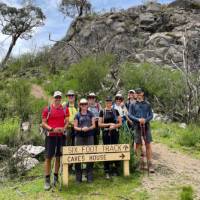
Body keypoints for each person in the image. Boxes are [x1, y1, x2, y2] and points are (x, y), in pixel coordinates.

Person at [42, 91, 69, 190]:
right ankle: (47, 180)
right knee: (48, 158)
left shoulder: (65, 109)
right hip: (51, 136)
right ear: (53, 98)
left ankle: (56, 177)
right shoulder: (47, 109)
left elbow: (66, 122)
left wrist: (64, 128)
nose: (58, 99)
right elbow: (43, 123)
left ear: (61, 98)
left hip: (61, 136)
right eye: (56, 97)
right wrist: (52, 129)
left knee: (58, 157)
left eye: (59, 98)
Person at [128, 88, 154, 173]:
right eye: (137, 93)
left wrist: (145, 120)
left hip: (146, 126)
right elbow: (130, 115)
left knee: (148, 144)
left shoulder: (147, 104)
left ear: (142, 93)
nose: (138, 94)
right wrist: (138, 119)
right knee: (138, 144)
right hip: (137, 126)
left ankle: (150, 164)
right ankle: (139, 164)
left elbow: (151, 115)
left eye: (139, 93)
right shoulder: (132, 104)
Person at [98, 96, 122, 179]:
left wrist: (114, 126)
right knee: (107, 150)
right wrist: (109, 125)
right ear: (105, 102)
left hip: (115, 132)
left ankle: (116, 169)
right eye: (107, 101)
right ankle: (107, 170)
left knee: (115, 149)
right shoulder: (102, 111)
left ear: (112, 102)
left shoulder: (116, 111)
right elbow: (99, 124)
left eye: (110, 101)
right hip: (106, 133)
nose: (109, 103)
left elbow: (120, 123)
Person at [74, 98, 95, 183]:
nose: (84, 106)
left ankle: (89, 176)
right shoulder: (77, 115)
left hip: (89, 136)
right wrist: (82, 129)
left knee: (90, 156)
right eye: (82, 104)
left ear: (87, 105)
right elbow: (75, 126)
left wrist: (88, 128)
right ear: (80, 105)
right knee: (78, 156)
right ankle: (78, 177)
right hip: (79, 137)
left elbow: (94, 125)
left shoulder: (91, 114)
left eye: (85, 104)